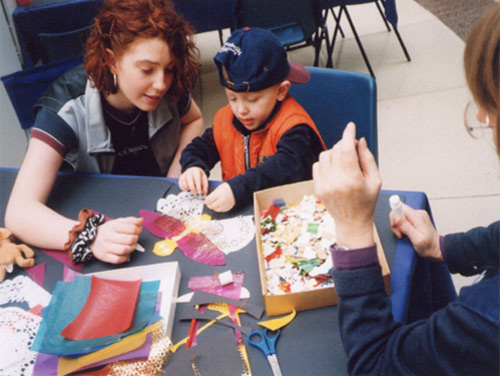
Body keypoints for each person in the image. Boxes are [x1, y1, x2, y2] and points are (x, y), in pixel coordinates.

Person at [313, 4, 500, 375]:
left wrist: (352, 232)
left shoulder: (486, 320)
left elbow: (375, 365)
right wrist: (442, 247)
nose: (483, 117)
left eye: (492, 104)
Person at [4, 0, 203, 264]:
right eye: (147, 69)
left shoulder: (168, 88)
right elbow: (19, 212)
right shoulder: (64, 108)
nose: (161, 84)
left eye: (169, 69)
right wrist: (89, 236)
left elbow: (195, 119)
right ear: (111, 60)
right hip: (90, 220)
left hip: (152, 217)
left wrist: (173, 181)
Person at [179, 27, 326, 212]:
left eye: (252, 99)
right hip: (246, 210)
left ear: (281, 91)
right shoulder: (226, 120)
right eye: (232, 97)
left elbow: (283, 169)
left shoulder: (295, 129)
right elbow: (200, 147)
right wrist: (193, 166)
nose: (241, 110)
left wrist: (238, 189)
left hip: (295, 215)